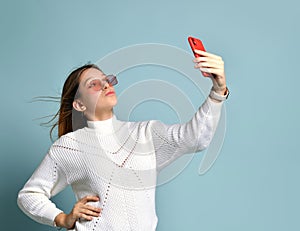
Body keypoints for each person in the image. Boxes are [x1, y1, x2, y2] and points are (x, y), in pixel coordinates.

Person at [17, 49, 229, 230]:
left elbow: (196, 138)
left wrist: (218, 91)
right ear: (79, 105)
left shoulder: (145, 133)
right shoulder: (70, 147)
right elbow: (29, 195)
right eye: (94, 84)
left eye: (106, 80)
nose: (106, 85)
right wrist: (63, 219)